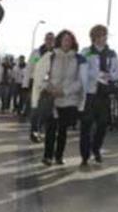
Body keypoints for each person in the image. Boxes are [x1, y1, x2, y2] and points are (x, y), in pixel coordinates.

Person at [33, 30, 87, 166]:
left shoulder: (78, 59)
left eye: (69, 39)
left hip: (69, 100)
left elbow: (80, 81)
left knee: (63, 129)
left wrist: (65, 91)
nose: (66, 42)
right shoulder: (50, 56)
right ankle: (47, 156)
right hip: (52, 98)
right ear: (59, 41)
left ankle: (59, 156)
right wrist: (48, 87)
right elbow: (40, 75)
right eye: (64, 39)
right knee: (51, 128)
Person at [80, 25, 118, 165]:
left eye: (103, 36)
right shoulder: (86, 52)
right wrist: (98, 75)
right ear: (93, 37)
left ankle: (96, 148)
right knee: (86, 125)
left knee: (102, 124)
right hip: (90, 94)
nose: (101, 38)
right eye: (98, 36)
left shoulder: (112, 53)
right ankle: (85, 154)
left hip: (104, 94)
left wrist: (109, 76)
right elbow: (83, 70)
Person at [24, 32, 56, 142]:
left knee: (46, 110)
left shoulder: (55, 54)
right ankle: (34, 131)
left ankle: (40, 130)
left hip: (48, 85)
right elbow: (29, 67)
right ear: (45, 39)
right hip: (36, 83)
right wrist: (25, 84)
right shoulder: (36, 53)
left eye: (52, 39)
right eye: (48, 38)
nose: (50, 41)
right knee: (35, 108)